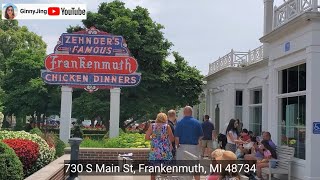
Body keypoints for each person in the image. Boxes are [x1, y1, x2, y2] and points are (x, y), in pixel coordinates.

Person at [175, 106, 203, 180]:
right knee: (196, 167)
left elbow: (177, 137)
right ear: (191, 112)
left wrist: (177, 145)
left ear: (184, 112)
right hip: (194, 147)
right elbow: (201, 136)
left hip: (182, 147)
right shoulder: (197, 123)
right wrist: (197, 143)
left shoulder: (179, 123)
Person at [145, 113, 174, 180]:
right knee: (165, 167)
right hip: (164, 150)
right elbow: (172, 139)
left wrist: (154, 138)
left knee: (153, 169)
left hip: (155, 150)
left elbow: (146, 137)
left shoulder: (152, 126)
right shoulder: (167, 126)